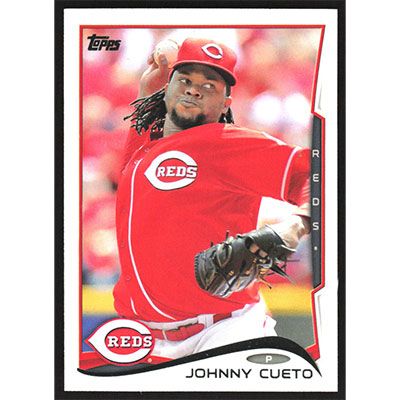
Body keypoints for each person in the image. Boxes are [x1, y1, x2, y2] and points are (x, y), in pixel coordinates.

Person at [113, 37, 310, 360]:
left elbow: (318, 172)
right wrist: (147, 90)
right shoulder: (145, 148)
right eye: (185, 80)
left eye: (209, 86)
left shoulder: (225, 142)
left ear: (225, 104)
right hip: (145, 338)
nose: (194, 90)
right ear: (168, 88)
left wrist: (296, 225)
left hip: (223, 332)